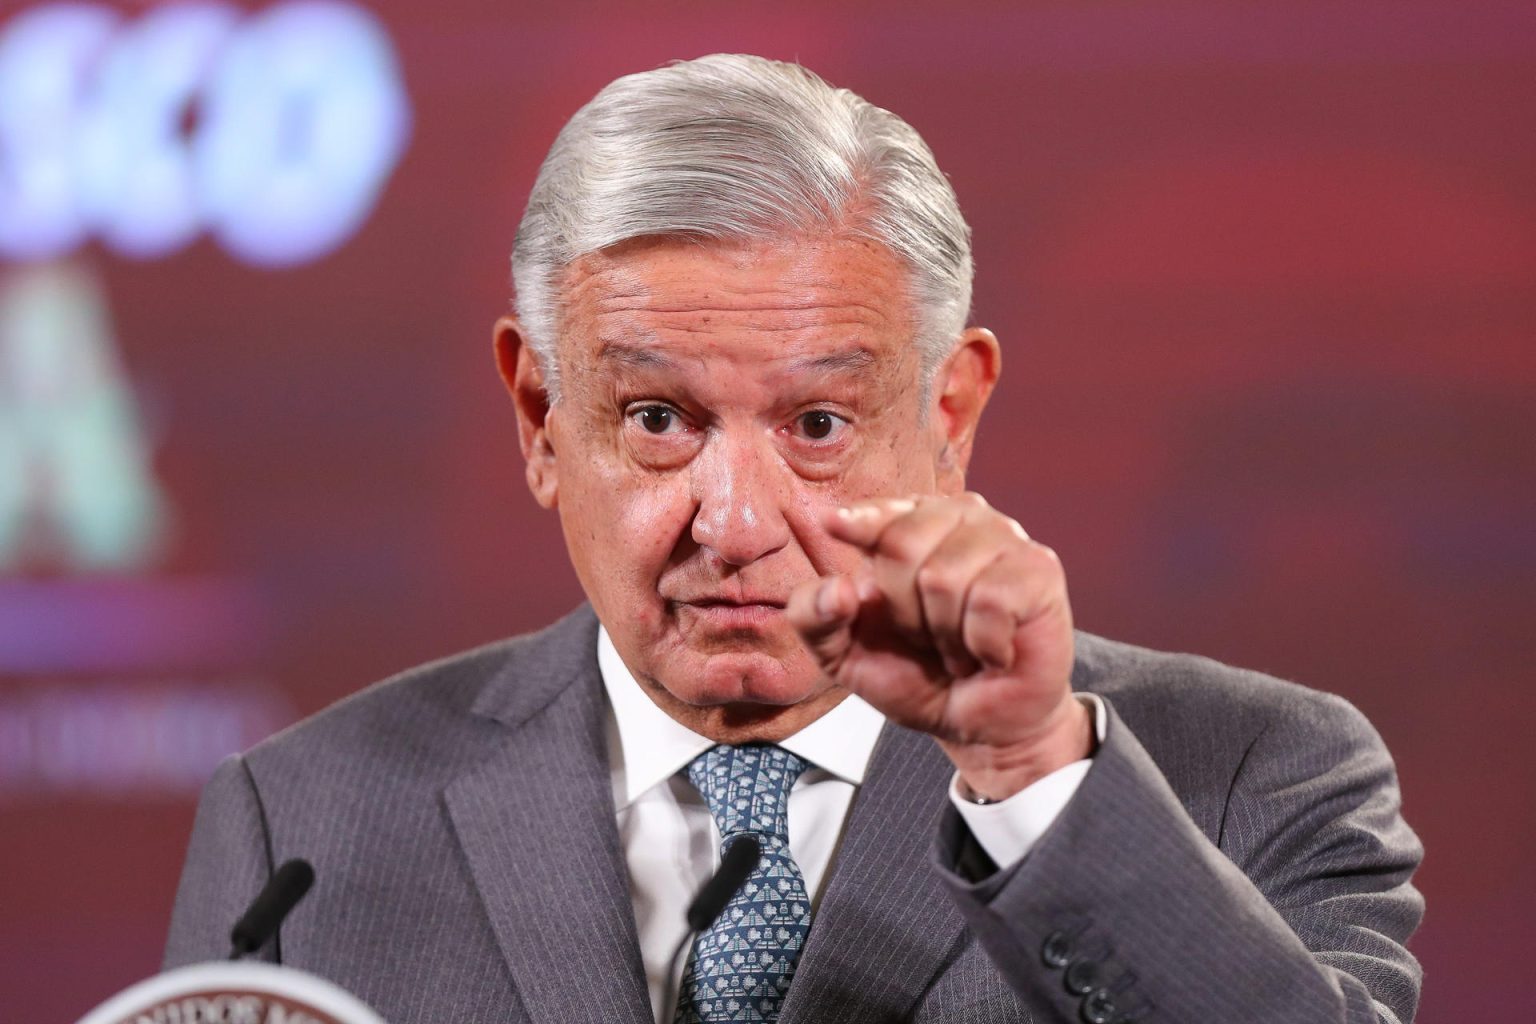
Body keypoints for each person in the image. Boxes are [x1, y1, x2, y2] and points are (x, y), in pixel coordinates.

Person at [164, 54, 1423, 1024]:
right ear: (541, 416)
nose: (739, 522)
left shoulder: (1258, 776)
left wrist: (1029, 771)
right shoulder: (303, 824)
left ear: (950, 414)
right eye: (657, 418)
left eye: (818, 421)